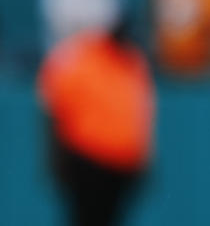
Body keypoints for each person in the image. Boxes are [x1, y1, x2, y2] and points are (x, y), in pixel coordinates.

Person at [37, 19, 155, 226]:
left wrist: (144, 157)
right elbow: (55, 105)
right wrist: (58, 155)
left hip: (123, 162)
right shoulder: (82, 58)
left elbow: (142, 113)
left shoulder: (134, 62)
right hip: (87, 158)